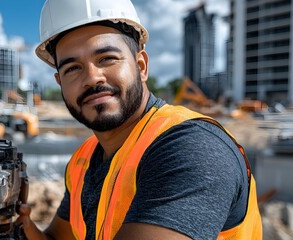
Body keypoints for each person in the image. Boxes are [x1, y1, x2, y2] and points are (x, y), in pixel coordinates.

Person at [16, 0, 262, 239]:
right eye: (72, 68)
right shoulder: (83, 159)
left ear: (141, 66)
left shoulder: (192, 148)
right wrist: (16, 225)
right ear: (60, 82)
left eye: (106, 59)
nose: (92, 78)